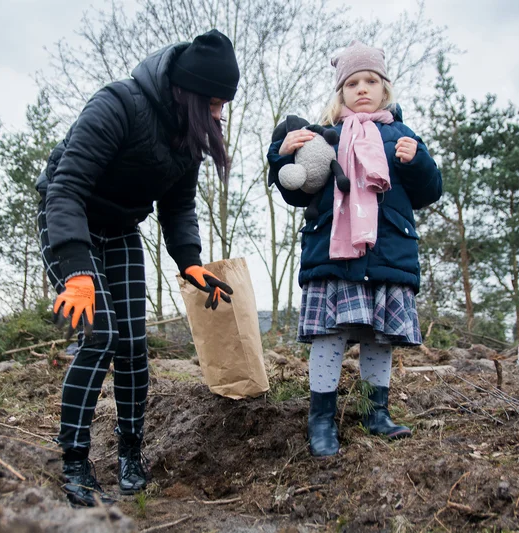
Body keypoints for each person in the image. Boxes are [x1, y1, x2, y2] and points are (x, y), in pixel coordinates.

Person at [36, 29, 239, 505]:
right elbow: (66, 188)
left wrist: (190, 262)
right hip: (70, 218)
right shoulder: (118, 104)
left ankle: (130, 454)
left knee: (132, 344)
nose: (219, 114)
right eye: (214, 103)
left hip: (122, 227)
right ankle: (74, 463)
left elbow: (178, 207)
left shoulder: (186, 135)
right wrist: (77, 271)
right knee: (100, 334)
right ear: (188, 92)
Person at [267, 41, 442, 457]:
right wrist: (280, 154)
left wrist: (417, 160)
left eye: (370, 81)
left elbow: (429, 190)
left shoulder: (403, 135)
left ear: (385, 88)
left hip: (387, 253)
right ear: (340, 91)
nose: (361, 89)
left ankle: (374, 414)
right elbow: (295, 190)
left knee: (380, 340)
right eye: (351, 83)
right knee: (330, 337)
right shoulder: (322, 135)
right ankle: (321, 421)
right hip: (334, 254)